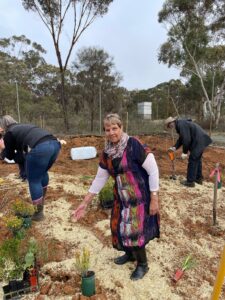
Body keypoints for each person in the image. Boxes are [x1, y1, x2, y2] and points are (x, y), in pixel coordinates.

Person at [72, 113, 160, 281]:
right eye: (107, 129)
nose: (111, 132)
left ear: (121, 128)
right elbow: (99, 179)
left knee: (135, 231)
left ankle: (142, 264)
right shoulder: (107, 153)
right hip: (121, 198)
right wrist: (84, 203)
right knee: (119, 226)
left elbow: (153, 169)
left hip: (140, 197)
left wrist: (155, 197)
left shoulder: (133, 144)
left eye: (114, 128)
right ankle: (130, 254)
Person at [0, 115, 61, 221]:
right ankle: (41, 200)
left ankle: (38, 214)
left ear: (3, 126)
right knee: (42, 172)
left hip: (40, 148)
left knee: (34, 180)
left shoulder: (9, 133)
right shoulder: (23, 126)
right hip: (55, 144)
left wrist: (2, 152)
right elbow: (21, 153)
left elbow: (9, 155)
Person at [165, 116, 212, 187]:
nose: (170, 127)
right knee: (197, 159)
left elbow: (186, 140)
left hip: (198, 141)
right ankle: (198, 179)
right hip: (201, 140)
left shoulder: (181, 125)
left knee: (192, 159)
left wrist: (184, 152)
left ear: (172, 122)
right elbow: (181, 138)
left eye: (169, 125)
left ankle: (190, 182)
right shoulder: (181, 124)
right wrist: (174, 147)